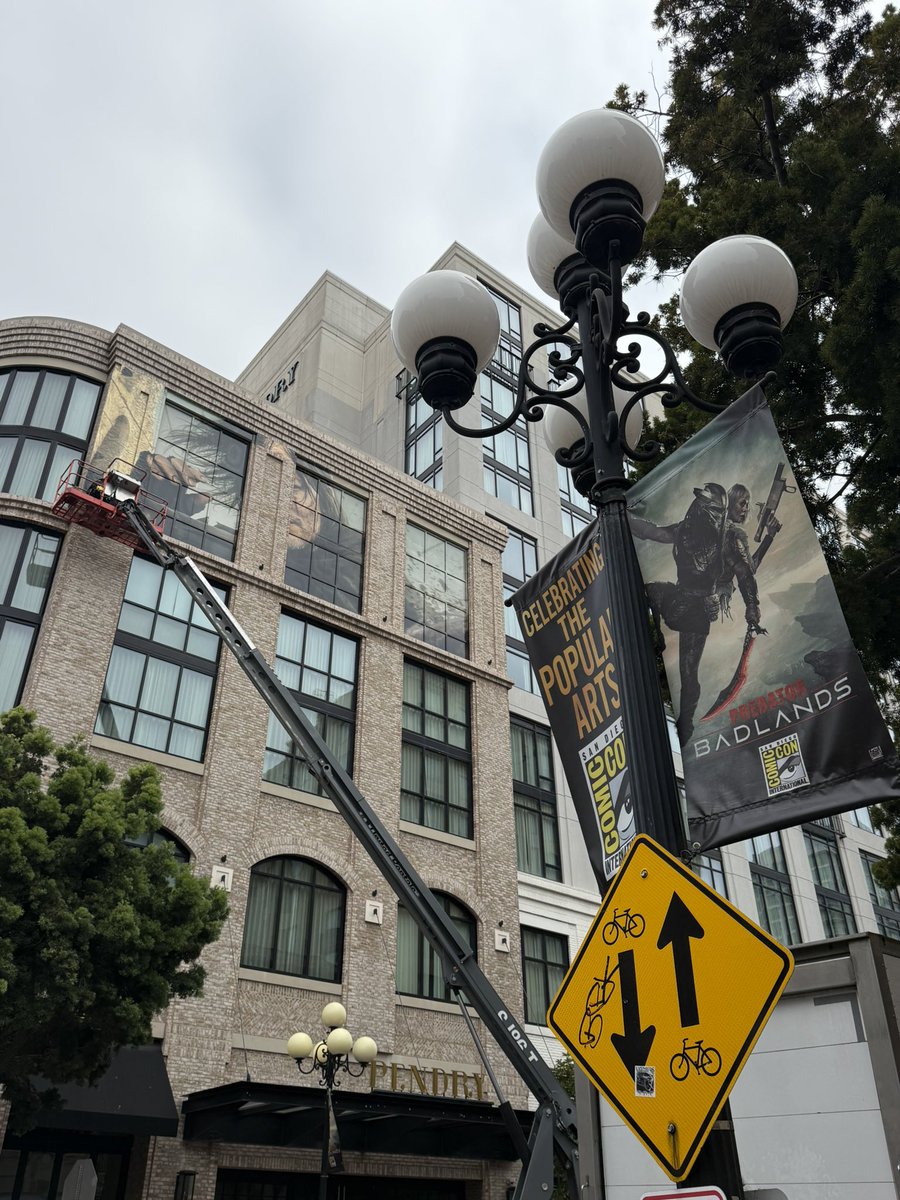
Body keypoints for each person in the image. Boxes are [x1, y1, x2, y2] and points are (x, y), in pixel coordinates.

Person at [630, 481, 762, 744]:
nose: (701, 510)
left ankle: (686, 723)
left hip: (698, 611)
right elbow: (653, 532)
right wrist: (623, 517)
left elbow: (744, 572)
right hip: (677, 597)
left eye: (707, 506)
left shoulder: (728, 538)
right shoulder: (685, 529)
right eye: (701, 504)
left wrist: (752, 605)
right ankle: (652, 640)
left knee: (688, 673)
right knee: (643, 590)